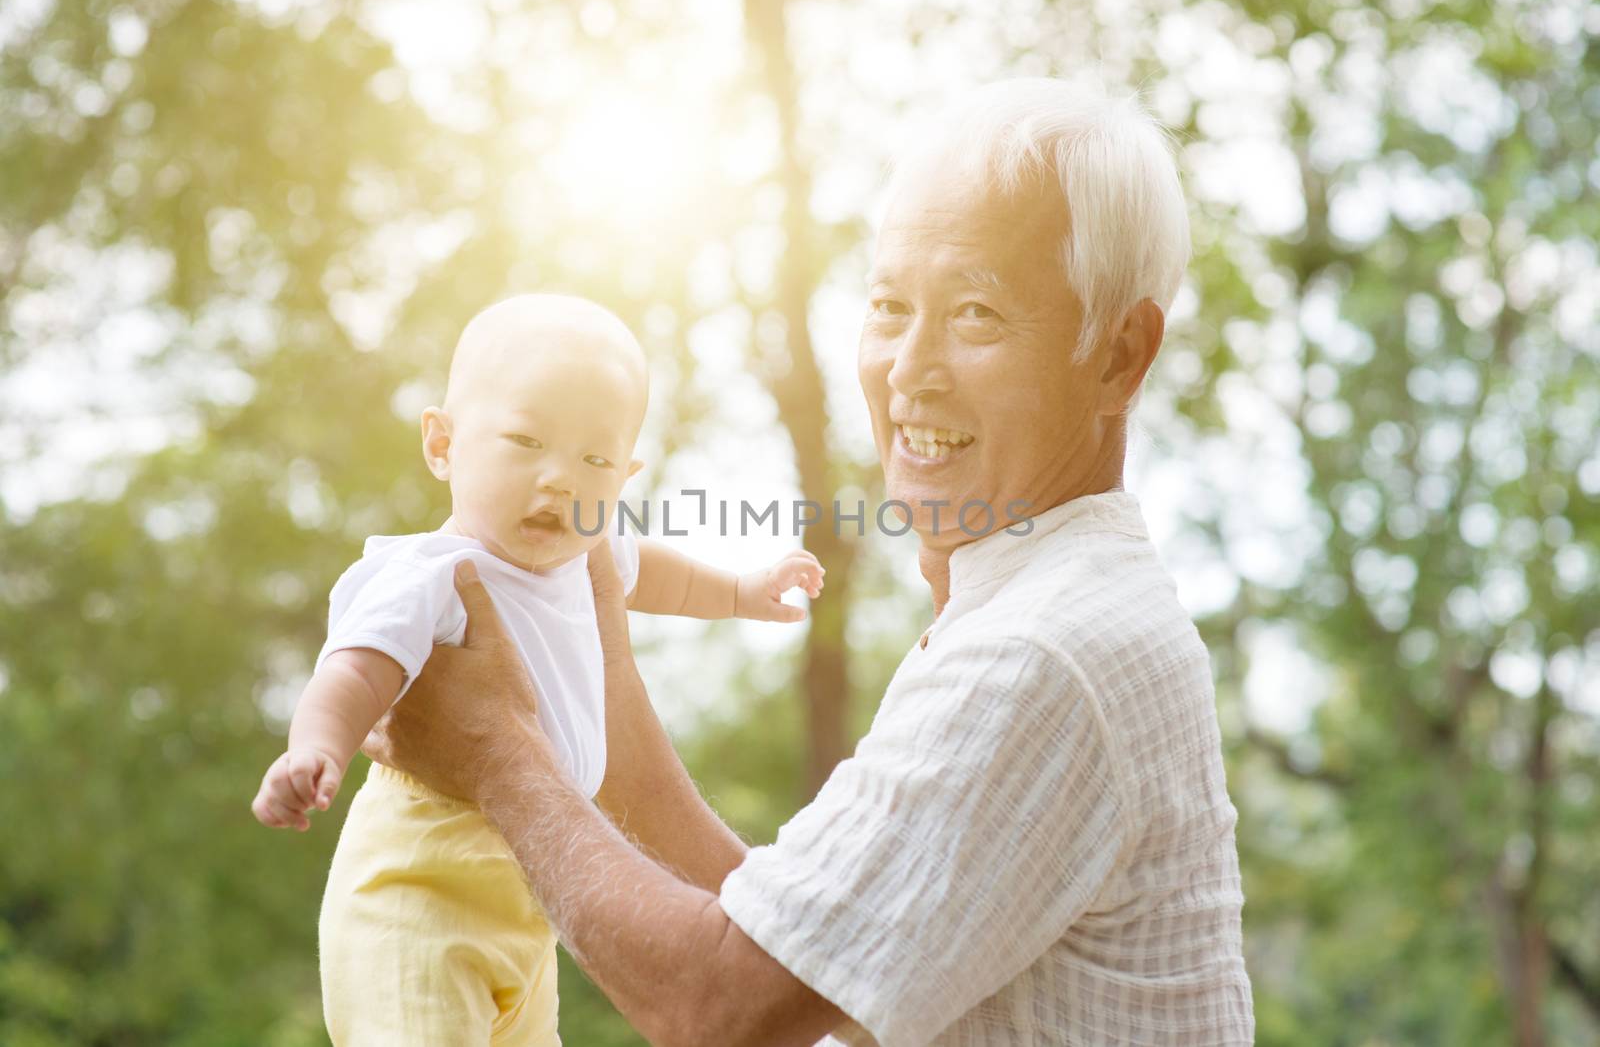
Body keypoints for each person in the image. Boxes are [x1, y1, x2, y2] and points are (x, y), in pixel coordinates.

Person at [365, 77, 1255, 1045]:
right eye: (887, 307)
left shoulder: (1043, 655)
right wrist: (585, 646)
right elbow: (810, 949)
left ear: (1119, 354)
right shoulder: (1042, 605)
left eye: (975, 315)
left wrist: (500, 755)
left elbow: (722, 1006)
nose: (908, 369)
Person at [249, 293, 824, 1045]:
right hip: (419, 887)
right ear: (442, 444)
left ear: (626, 474)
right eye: (525, 441)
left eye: (595, 459)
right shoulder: (433, 574)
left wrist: (744, 592)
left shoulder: (589, 558)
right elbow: (355, 675)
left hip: (528, 898)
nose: (560, 478)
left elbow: (659, 575)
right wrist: (315, 749)